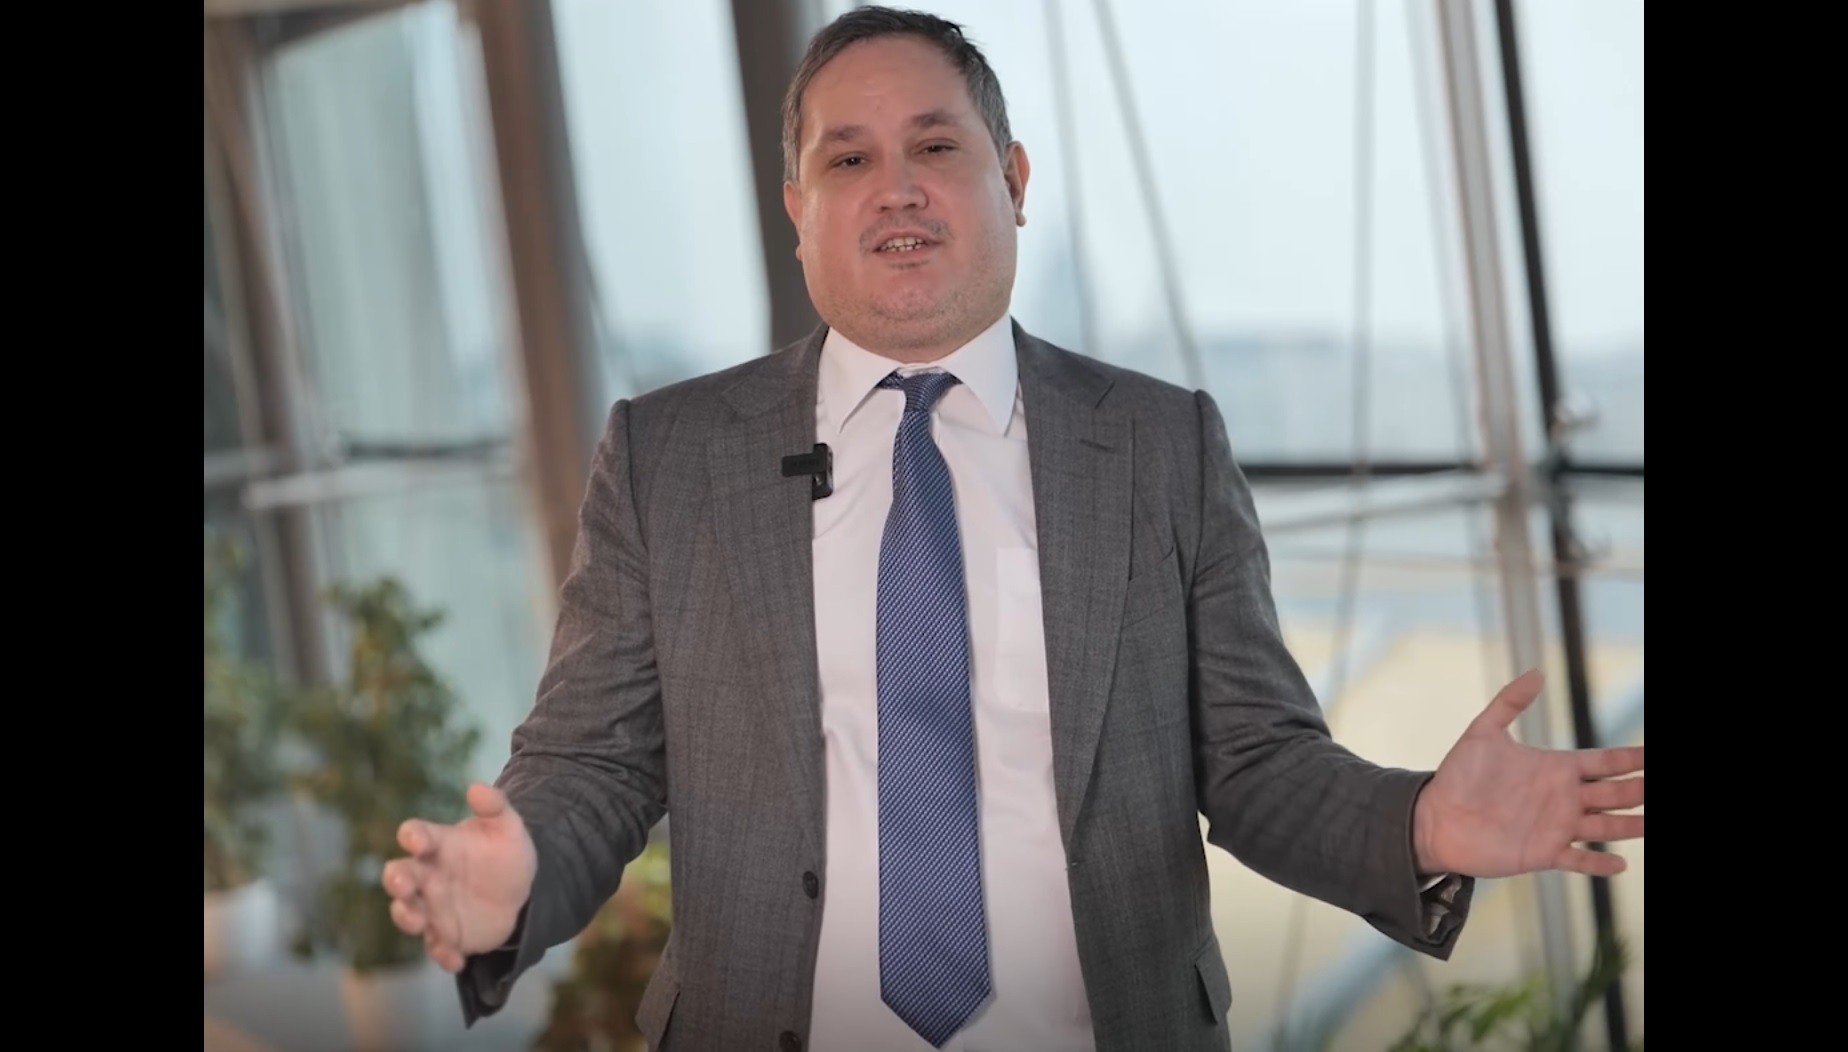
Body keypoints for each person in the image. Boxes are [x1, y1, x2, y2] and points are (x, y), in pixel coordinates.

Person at [381, 8, 1644, 1051]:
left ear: (1015, 180)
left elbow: (1257, 759)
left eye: (936, 144)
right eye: (848, 159)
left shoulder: (1160, 444)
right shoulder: (669, 457)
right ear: (796, 206)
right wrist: (519, 870)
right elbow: (596, 762)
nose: (897, 188)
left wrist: (1420, 823)